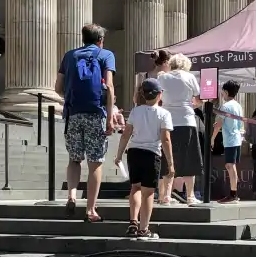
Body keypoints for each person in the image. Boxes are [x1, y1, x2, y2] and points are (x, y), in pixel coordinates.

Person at [56, 23, 116, 223]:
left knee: (74, 159)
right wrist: (109, 118)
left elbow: (58, 87)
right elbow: (109, 87)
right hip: (95, 113)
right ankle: (90, 210)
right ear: (101, 40)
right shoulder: (105, 55)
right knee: (95, 162)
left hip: (73, 114)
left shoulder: (69, 55)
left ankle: (71, 196)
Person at [113, 79, 174, 240]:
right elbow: (166, 139)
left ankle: (133, 223)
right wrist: (171, 163)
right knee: (148, 192)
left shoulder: (135, 111)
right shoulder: (164, 114)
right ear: (160, 94)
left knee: (135, 188)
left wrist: (119, 154)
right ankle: (143, 229)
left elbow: (126, 134)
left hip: (134, 151)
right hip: (151, 153)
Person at [156, 53, 203, 205]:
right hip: (187, 120)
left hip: (167, 121)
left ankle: (166, 195)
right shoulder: (189, 77)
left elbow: (158, 98)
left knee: (168, 158)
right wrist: (192, 105)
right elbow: (199, 99)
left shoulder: (163, 77)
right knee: (190, 158)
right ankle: (190, 195)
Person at [210, 81, 244, 203]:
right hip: (236, 138)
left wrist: (212, 138)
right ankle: (233, 193)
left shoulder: (225, 106)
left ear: (225, 91)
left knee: (230, 166)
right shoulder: (238, 105)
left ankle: (233, 194)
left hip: (230, 139)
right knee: (231, 165)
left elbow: (218, 124)